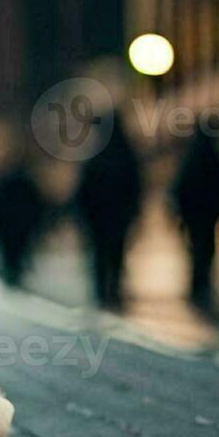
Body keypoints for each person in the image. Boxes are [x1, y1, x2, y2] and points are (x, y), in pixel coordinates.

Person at [170, 129, 219, 313]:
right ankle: (202, 285)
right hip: (208, 217)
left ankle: (197, 285)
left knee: (197, 249)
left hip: (195, 217)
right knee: (206, 249)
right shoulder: (214, 159)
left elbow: (180, 189)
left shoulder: (191, 161)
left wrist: (179, 213)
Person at [75, 124, 142, 308]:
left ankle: (102, 291)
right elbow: (135, 190)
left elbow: (83, 193)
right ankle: (112, 290)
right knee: (116, 253)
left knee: (101, 254)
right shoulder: (127, 158)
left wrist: (84, 217)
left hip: (99, 220)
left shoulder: (95, 158)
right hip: (118, 219)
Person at [0, 160, 46, 287]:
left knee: (11, 250)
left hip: (9, 227)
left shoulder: (5, 184)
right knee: (16, 250)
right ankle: (14, 272)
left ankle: (12, 272)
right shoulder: (25, 184)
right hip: (16, 227)